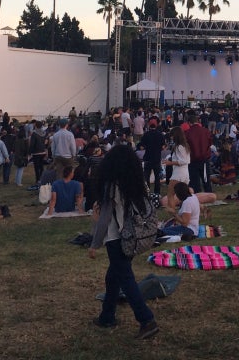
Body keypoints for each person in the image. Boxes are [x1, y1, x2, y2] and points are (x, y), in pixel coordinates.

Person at [88, 144, 159, 340]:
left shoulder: (111, 185)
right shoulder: (134, 182)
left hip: (116, 239)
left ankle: (146, 320)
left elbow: (104, 218)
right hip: (130, 237)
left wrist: (94, 243)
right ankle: (107, 316)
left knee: (126, 280)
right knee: (114, 278)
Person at [185, 111, 213, 194]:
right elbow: (210, 143)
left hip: (192, 160)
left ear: (189, 123)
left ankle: (197, 196)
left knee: (194, 180)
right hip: (204, 159)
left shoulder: (187, 133)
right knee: (206, 179)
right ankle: (209, 194)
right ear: (198, 121)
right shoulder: (206, 131)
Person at [141, 118, 166, 195]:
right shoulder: (160, 135)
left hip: (148, 158)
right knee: (157, 177)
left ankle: (147, 192)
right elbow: (163, 147)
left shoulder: (146, 134)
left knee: (146, 177)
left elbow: (142, 146)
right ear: (156, 125)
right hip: (157, 158)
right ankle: (157, 192)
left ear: (149, 125)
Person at [28, 121, 49, 187]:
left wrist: (29, 152)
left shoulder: (34, 134)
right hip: (43, 151)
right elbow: (46, 142)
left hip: (36, 152)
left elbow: (32, 144)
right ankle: (42, 179)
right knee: (41, 166)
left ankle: (38, 180)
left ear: (36, 126)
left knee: (36, 167)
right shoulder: (44, 133)